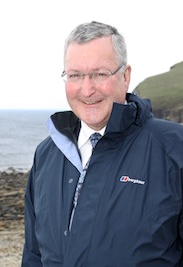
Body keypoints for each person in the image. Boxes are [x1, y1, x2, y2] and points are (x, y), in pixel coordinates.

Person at [21, 21, 183, 266]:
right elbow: (33, 255)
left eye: (99, 74)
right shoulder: (47, 154)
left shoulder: (175, 148)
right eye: (75, 75)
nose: (87, 90)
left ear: (125, 76)